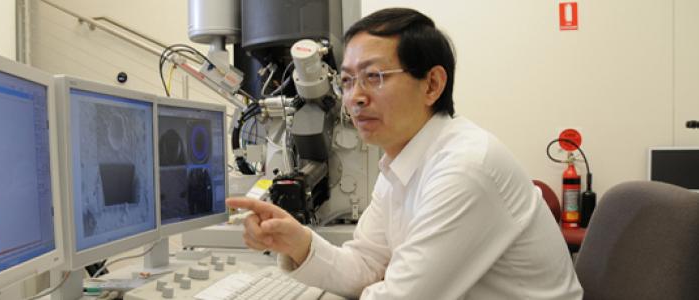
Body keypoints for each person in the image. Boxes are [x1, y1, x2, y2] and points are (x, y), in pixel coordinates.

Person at [226, 7, 583, 299]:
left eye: (375, 76)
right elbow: (366, 265)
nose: (355, 97)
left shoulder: (465, 168)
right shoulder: (401, 163)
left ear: (432, 85)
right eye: (348, 80)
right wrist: (298, 241)